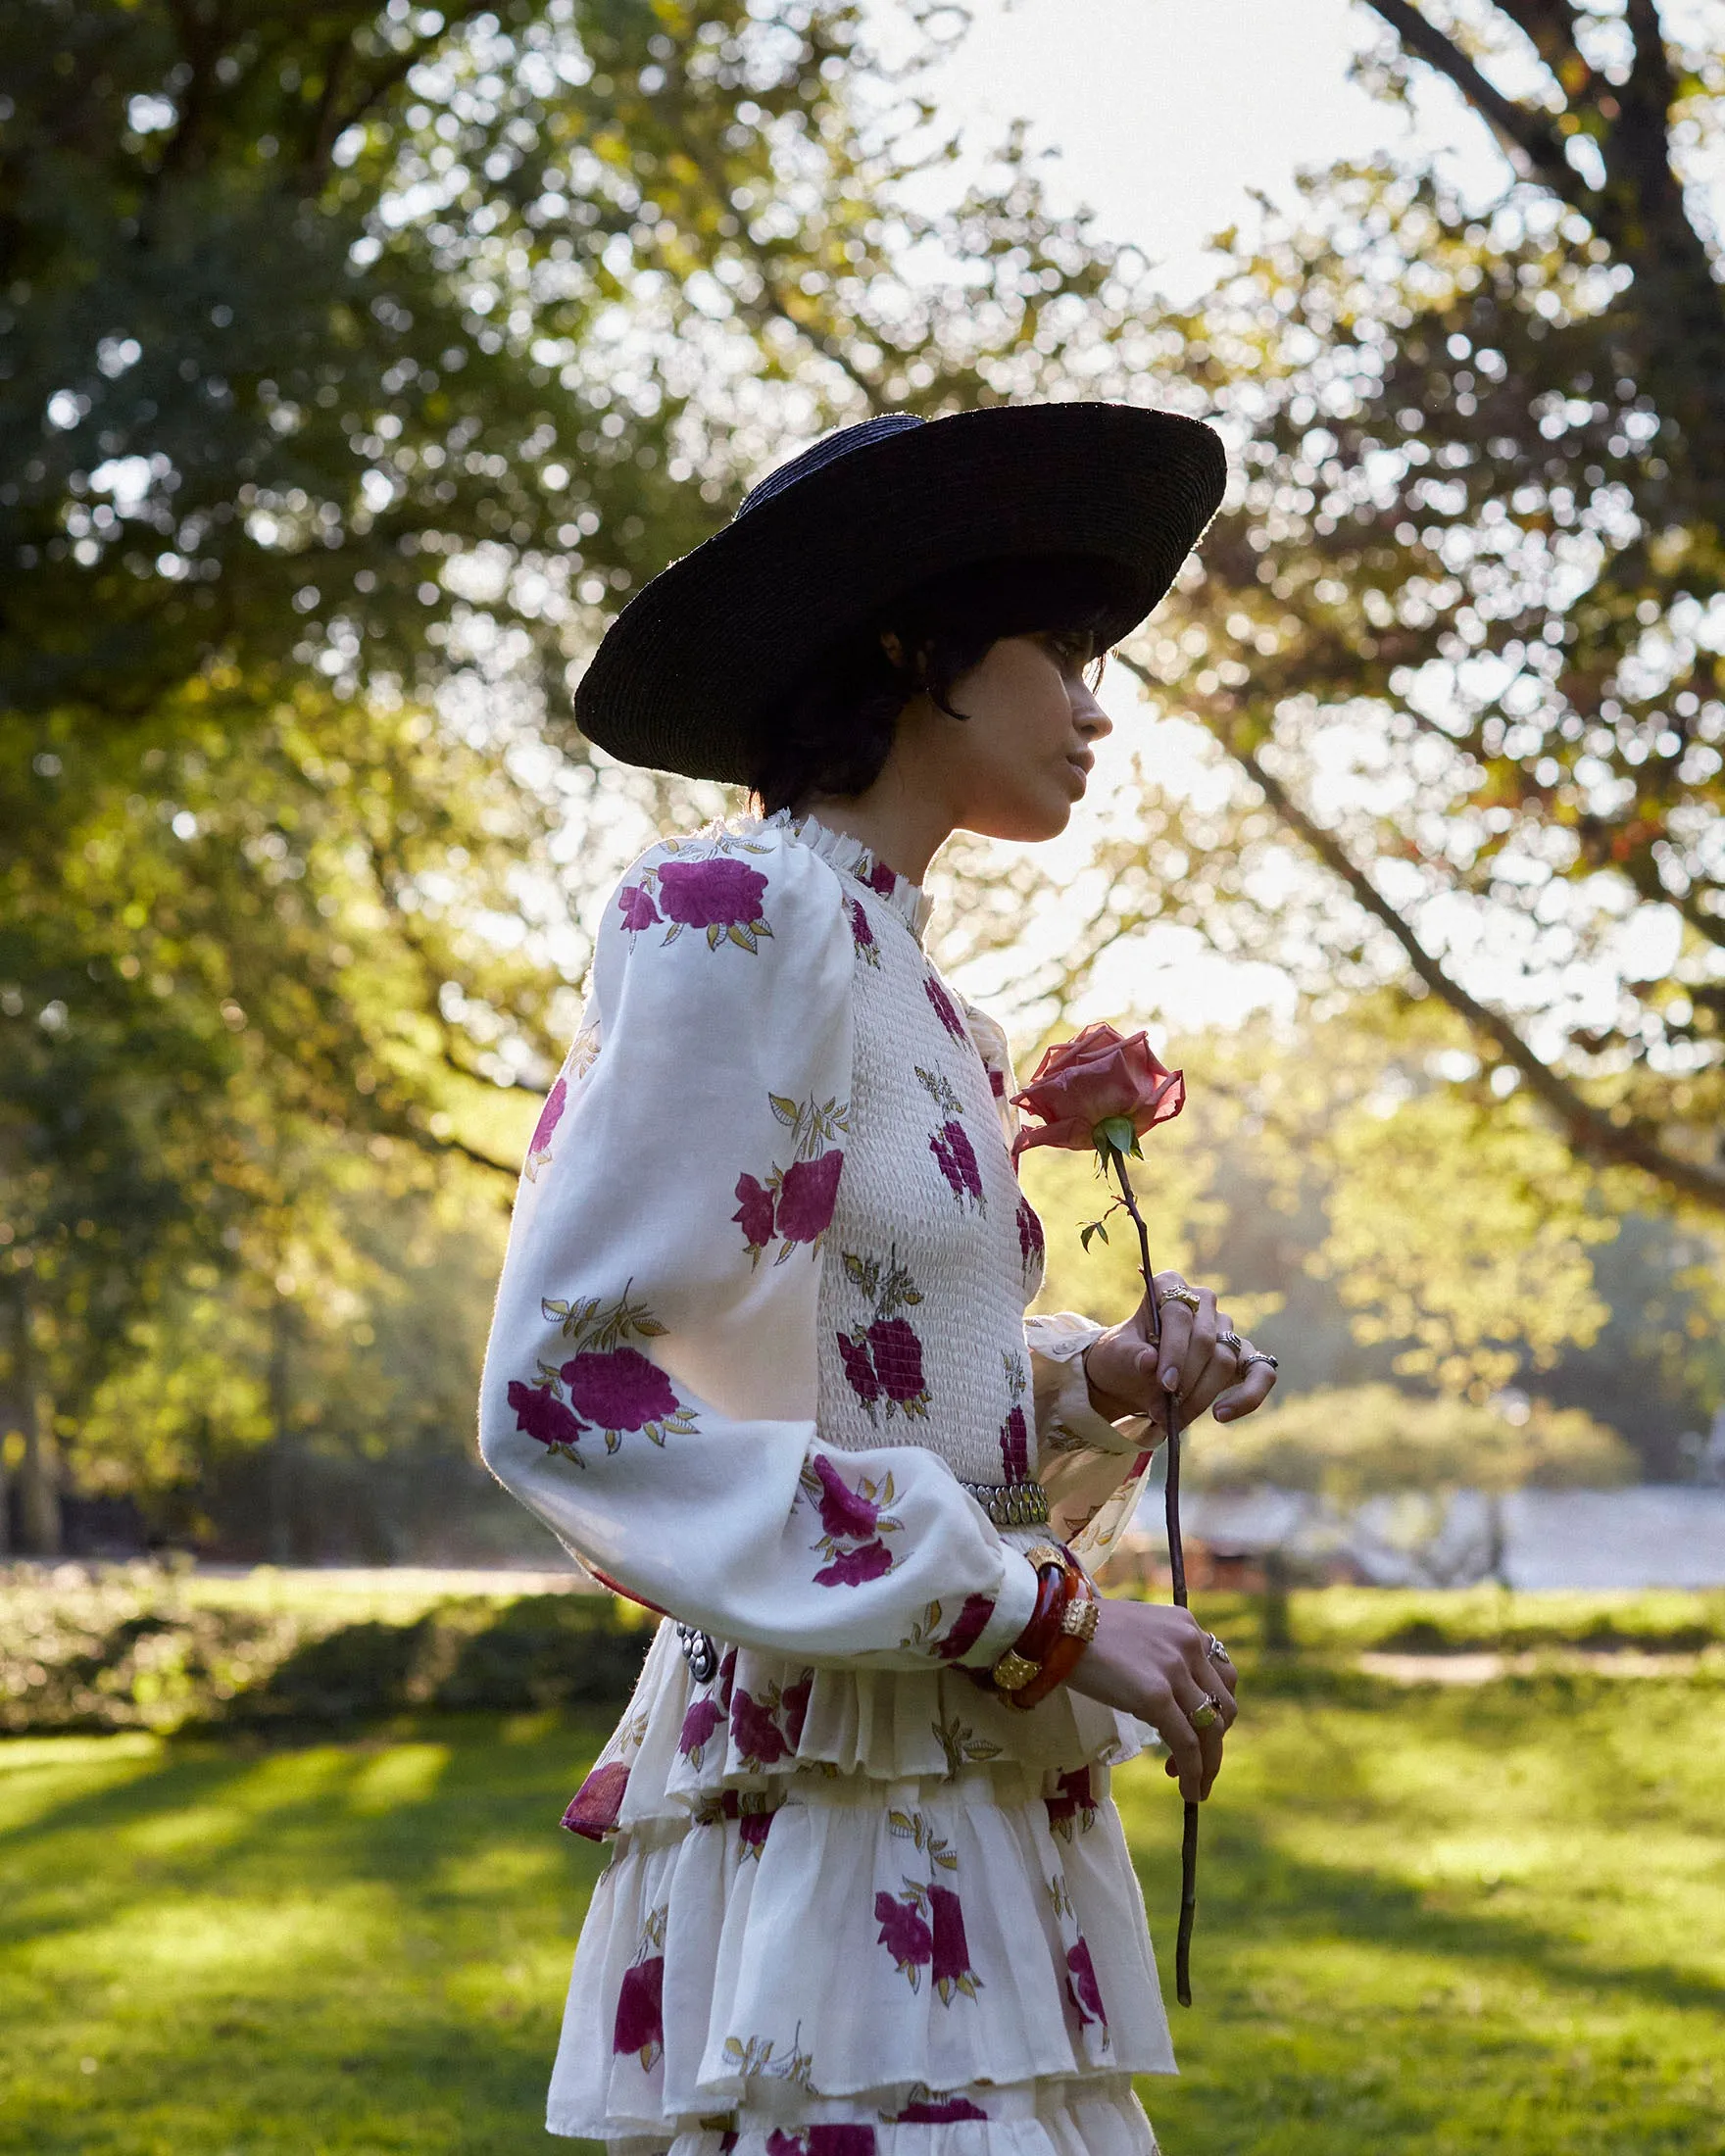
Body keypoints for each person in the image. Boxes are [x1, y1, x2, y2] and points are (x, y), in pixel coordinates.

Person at [478, 405, 1280, 2156]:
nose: (1098, 704)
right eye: (1060, 652)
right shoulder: (725, 914)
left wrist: (1095, 1385)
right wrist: (1043, 1616)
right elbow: (572, 1396)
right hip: (829, 1782)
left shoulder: (925, 996)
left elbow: (873, 1363)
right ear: (920, 650)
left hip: (955, 1776)